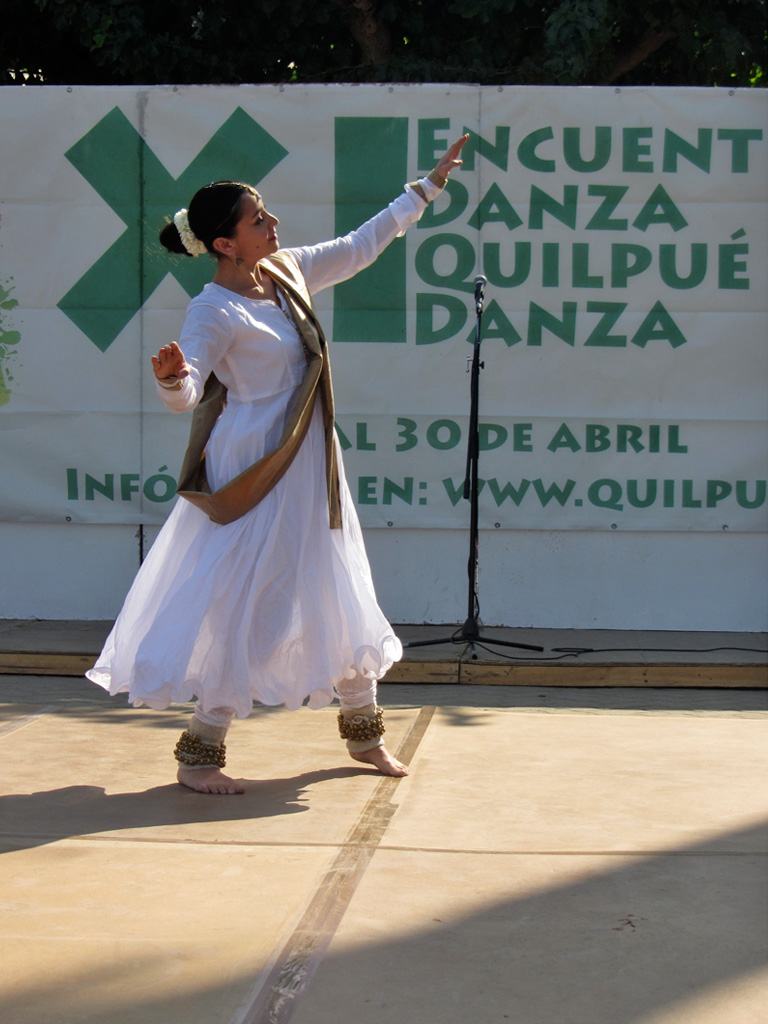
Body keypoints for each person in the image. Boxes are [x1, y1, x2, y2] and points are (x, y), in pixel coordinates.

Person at [87, 134, 469, 794]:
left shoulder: (287, 272)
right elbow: (187, 392)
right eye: (257, 219)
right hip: (254, 471)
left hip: (310, 463)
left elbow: (360, 245)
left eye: (266, 213)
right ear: (225, 243)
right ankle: (200, 753)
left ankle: (364, 734)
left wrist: (425, 189)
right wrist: (172, 378)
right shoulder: (213, 308)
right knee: (244, 602)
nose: (273, 222)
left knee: (335, 581)